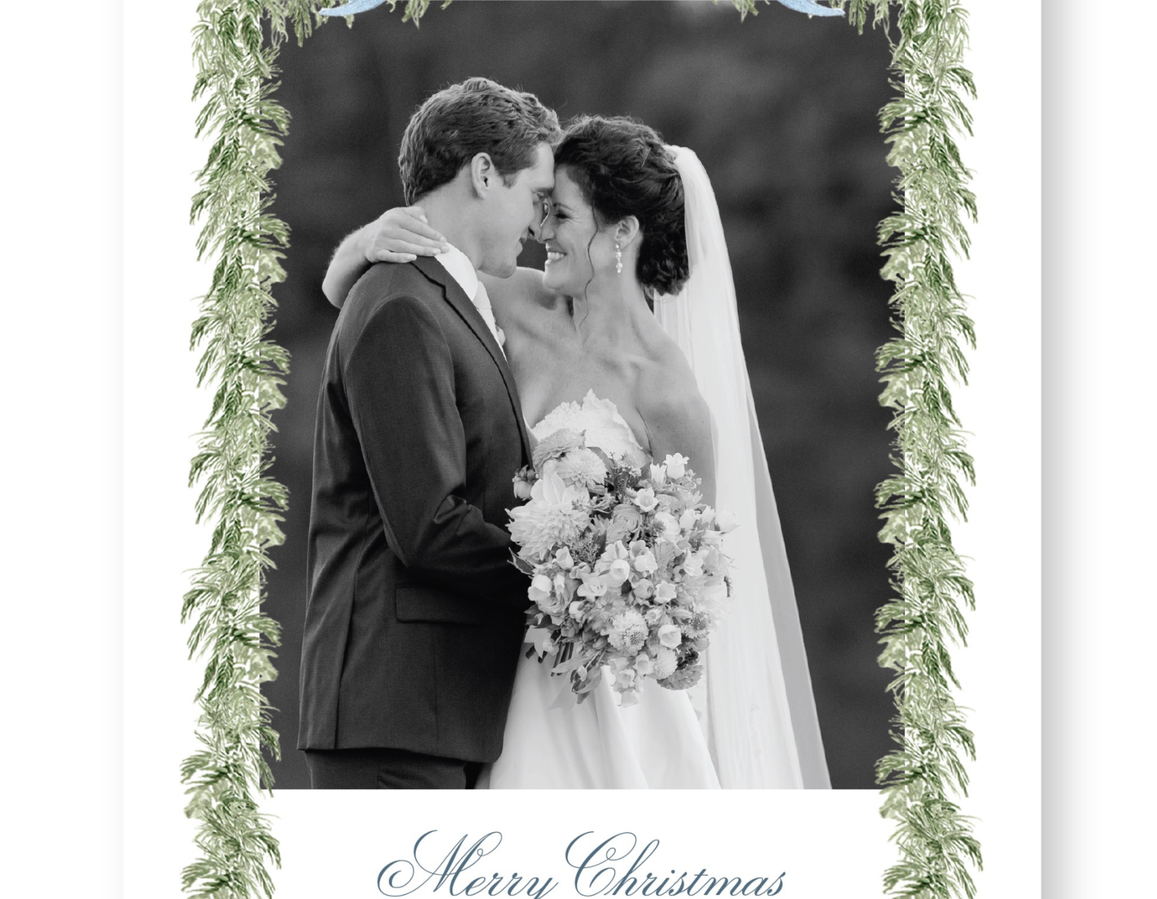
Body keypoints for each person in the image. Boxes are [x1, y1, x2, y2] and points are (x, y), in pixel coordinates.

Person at [323, 110, 832, 789]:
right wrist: (367, 239)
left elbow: (692, 622)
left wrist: (620, 600)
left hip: (607, 701)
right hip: (487, 675)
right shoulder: (510, 301)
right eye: (539, 208)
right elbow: (362, 297)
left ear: (620, 232)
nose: (539, 231)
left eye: (558, 214)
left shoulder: (671, 399)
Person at [296, 77, 560, 788]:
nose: (540, 223)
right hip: (392, 715)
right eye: (535, 196)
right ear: (481, 173)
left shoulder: (447, 294)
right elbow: (428, 525)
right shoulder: (399, 303)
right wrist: (570, 582)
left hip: (435, 713)